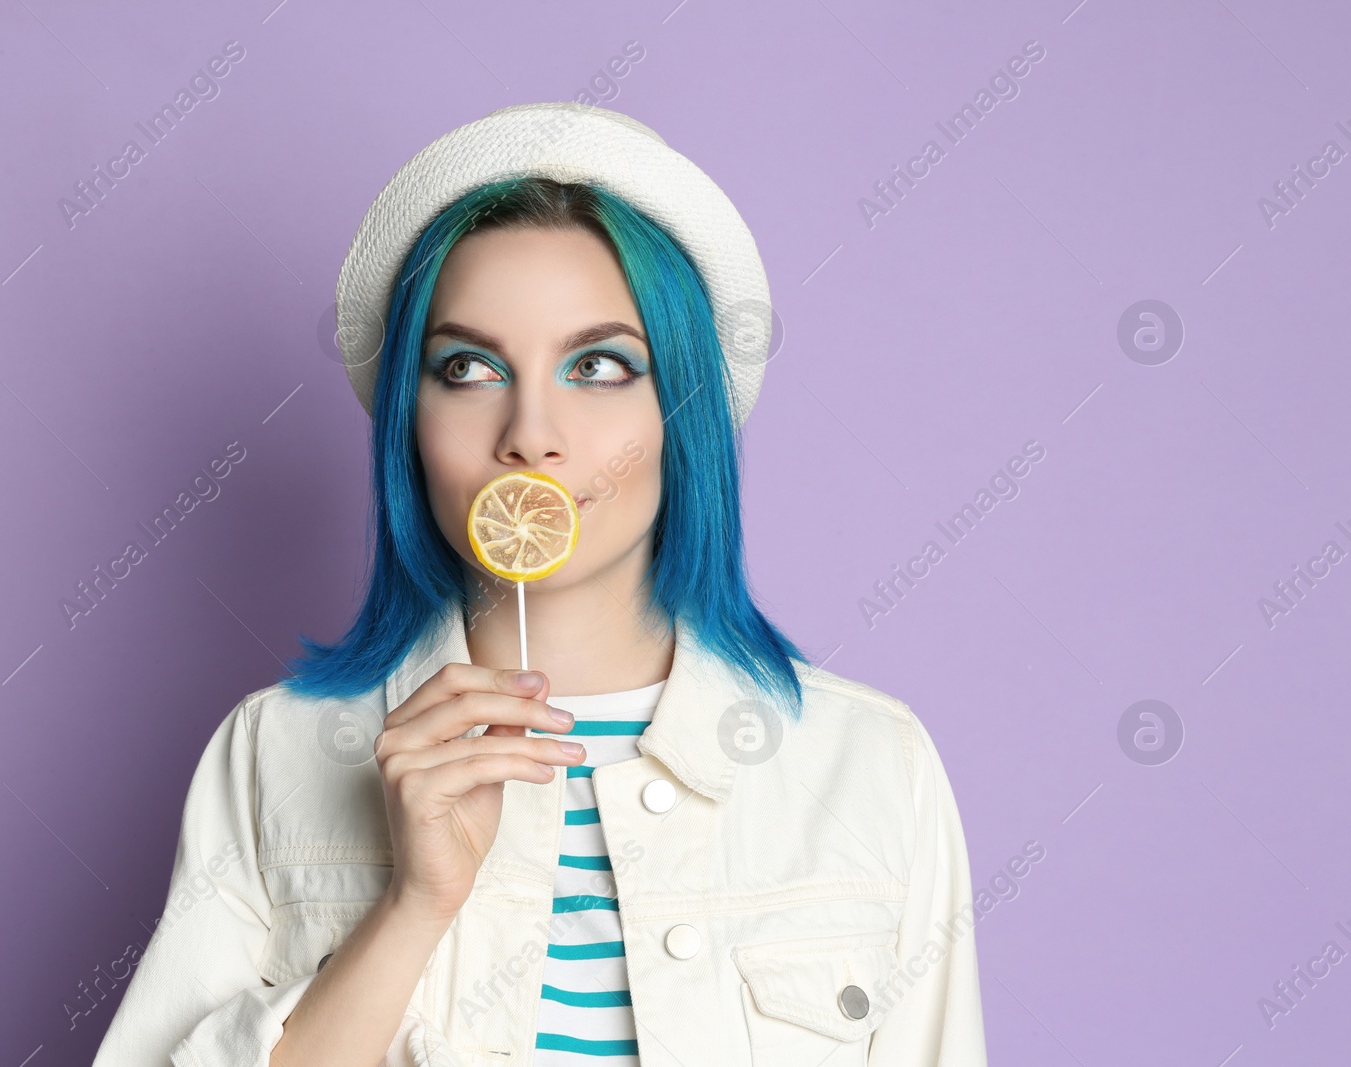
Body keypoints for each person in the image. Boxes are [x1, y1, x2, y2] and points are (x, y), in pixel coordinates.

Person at [92, 101, 988, 1067]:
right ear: (411, 422)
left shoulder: (869, 766)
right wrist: (413, 905)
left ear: (682, 410)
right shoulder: (276, 752)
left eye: (598, 365)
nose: (530, 433)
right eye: (469, 366)